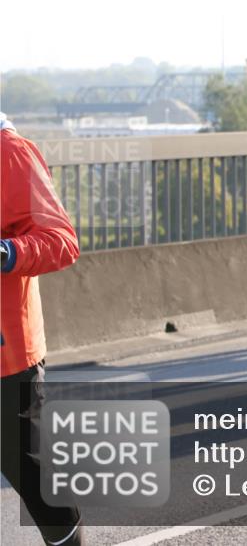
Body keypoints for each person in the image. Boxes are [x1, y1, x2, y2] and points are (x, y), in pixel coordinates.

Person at [1, 112, 85, 546]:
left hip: (7, 353)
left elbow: (61, 240)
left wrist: (6, 252)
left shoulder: (11, 152)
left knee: (25, 469)